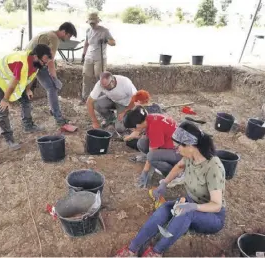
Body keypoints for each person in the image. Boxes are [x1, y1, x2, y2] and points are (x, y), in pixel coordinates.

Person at [115, 121, 226, 257]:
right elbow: (178, 167)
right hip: (192, 202)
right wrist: (164, 183)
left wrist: (192, 207)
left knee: (185, 213)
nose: (176, 150)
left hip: (212, 216)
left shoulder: (213, 167)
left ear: (191, 145)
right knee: (167, 207)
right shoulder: (190, 157)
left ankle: (156, 252)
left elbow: (216, 205)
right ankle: (132, 249)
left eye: (178, 146)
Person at [0, 44, 52, 150]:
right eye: (43, 62)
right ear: (35, 56)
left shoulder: (36, 64)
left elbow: (30, 78)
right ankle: (9, 139)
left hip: (9, 78)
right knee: (2, 108)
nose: (44, 65)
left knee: (26, 99)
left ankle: (28, 126)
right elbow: (12, 85)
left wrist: (28, 89)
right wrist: (5, 99)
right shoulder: (21, 63)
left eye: (46, 62)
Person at [25, 22, 77, 127]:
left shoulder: (48, 33)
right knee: (52, 87)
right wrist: (54, 77)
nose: (68, 39)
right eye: (69, 36)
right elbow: (50, 60)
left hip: (29, 59)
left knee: (48, 87)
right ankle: (58, 117)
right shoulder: (54, 38)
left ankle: (52, 111)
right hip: (34, 62)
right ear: (63, 31)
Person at [124, 106, 182, 188]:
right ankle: (153, 161)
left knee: (151, 157)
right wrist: (131, 136)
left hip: (179, 153)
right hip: (170, 144)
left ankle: (174, 173)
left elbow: (152, 152)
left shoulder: (154, 129)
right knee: (142, 143)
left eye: (132, 128)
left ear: (138, 125)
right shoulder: (149, 118)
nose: (132, 130)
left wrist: (145, 172)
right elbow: (149, 137)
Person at [80, 12, 116, 104]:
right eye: (90, 22)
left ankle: (101, 99)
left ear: (97, 21)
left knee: (100, 78)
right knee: (86, 78)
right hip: (89, 57)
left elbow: (113, 42)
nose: (92, 24)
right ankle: (84, 98)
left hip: (100, 58)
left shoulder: (104, 31)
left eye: (93, 22)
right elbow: (87, 43)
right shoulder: (88, 31)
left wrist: (106, 40)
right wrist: (83, 54)